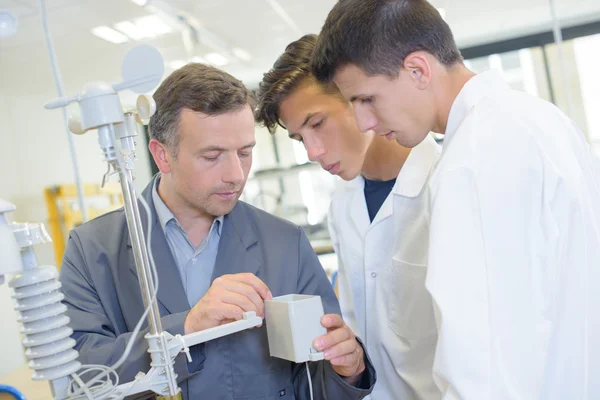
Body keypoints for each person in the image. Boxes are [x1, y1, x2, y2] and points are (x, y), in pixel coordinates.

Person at [309, 0, 600, 399]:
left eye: (366, 99)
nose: (364, 123)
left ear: (418, 69)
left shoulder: (472, 160)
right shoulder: (541, 120)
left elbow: (483, 368)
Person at [59, 63, 376, 400]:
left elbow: (314, 383)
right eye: (213, 156)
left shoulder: (286, 244)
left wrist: (349, 371)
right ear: (162, 155)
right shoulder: (93, 248)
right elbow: (78, 378)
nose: (236, 174)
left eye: (245, 152)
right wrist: (187, 328)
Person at [255, 34, 441, 400]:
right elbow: (358, 326)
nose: (311, 151)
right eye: (299, 138)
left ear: (356, 96)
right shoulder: (342, 203)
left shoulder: (442, 185)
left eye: (318, 123)